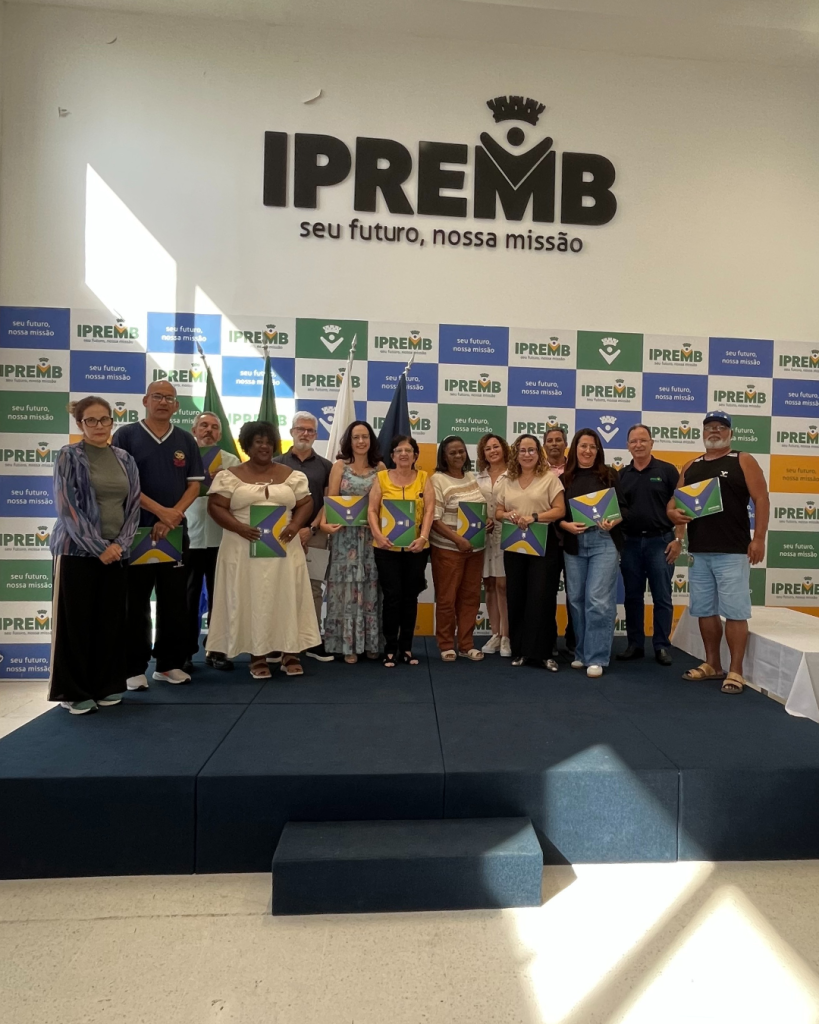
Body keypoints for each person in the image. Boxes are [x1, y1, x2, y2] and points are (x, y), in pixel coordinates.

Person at [48, 397, 142, 714]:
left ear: (112, 421)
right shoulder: (68, 455)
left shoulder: (125, 458)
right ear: (80, 424)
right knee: (76, 624)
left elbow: (133, 506)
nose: (99, 426)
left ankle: (106, 685)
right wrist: (99, 547)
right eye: (91, 420)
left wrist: (120, 544)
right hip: (76, 552)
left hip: (116, 553)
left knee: (110, 623)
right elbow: (67, 507)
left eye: (104, 419)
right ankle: (73, 691)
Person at [206, 420, 320, 677]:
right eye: (258, 441)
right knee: (252, 598)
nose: (264, 446)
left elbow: (306, 503)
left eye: (269, 442)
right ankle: (257, 656)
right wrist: (239, 528)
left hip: (284, 548)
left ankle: (290, 652)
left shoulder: (291, 475)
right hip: (243, 548)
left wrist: (295, 525)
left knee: (286, 596)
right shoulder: (229, 475)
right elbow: (215, 507)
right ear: (247, 445)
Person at [668, 411, 769, 695]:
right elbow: (674, 503)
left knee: (735, 613)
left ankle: (736, 670)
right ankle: (713, 664)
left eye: (720, 427)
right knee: (705, 610)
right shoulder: (692, 465)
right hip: (699, 551)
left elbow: (762, 499)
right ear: (703, 432)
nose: (714, 431)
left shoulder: (742, 460)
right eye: (709, 427)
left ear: (730, 433)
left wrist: (759, 538)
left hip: (733, 551)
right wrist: (673, 517)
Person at [113, 381, 204, 690]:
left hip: (174, 532)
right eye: (157, 397)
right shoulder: (126, 435)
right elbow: (124, 484)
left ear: (176, 405)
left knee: (174, 600)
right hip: (135, 531)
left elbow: (194, 484)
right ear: (145, 400)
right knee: (135, 601)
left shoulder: (185, 439)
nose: (163, 402)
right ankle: (133, 667)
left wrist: (173, 514)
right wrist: (161, 512)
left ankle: (168, 664)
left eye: (169, 398)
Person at [559, 428, 628, 678]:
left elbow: (624, 509)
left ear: (598, 450)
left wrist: (614, 520)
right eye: (583, 446)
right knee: (576, 599)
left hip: (604, 542)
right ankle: (581, 653)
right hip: (574, 544)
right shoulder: (564, 478)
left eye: (592, 446)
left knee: (597, 599)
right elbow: (557, 514)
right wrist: (565, 525)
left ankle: (597, 656)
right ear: (575, 449)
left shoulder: (609, 475)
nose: (587, 451)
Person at [495, 434, 565, 672]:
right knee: (516, 595)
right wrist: (508, 515)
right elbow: (498, 512)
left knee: (541, 597)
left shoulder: (549, 478)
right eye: (522, 450)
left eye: (531, 450)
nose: (527, 454)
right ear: (516, 454)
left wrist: (534, 517)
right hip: (514, 543)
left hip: (542, 543)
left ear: (539, 453)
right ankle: (520, 651)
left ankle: (543, 654)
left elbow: (559, 510)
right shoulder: (508, 479)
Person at [616, 424, 684, 666]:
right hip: (630, 543)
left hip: (661, 541)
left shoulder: (667, 471)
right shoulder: (621, 475)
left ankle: (661, 645)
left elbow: (682, 508)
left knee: (662, 597)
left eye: (643, 440)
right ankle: (635, 644)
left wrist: (678, 540)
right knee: (632, 597)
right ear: (628, 446)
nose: (638, 445)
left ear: (651, 443)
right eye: (633, 441)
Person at [320, 421, 384, 663]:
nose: (360, 441)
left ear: (371, 440)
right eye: (356, 437)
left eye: (365, 436)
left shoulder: (380, 468)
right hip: (344, 538)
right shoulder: (339, 466)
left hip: (370, 537)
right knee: (346, 588)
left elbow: (386, 502)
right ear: (349, 440)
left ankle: (370, 642)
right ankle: (347, 645)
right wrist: (324, 524)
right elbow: (331, 499)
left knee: (371, 586)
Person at [368, 435, 435, 668]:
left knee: (410, 597)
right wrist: (378, 535)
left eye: (408, 450)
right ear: (392, 455)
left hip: (416, 548)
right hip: (386, 547)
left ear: (415, 455)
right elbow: (372, 510)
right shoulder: (381, 478)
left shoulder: (424, 478)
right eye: (399, 450)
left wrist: (423, 537)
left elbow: (429, 511)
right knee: (392, 597)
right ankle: (390, 648)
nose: (404, 454)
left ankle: (406, 647)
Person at [273, 411, 333, 662]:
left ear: (316, 435)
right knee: (280, 586)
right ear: (291, 432)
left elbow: (329, 501)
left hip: (314, 534)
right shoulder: (275, 462)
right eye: (301, 429)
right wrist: (293, 528)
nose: (305, 434)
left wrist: (312, 528)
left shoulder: (326, 466)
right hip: (281, 534)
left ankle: (312, 640)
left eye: (310, 430)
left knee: (314, 588)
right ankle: (277, 641)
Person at [185, 411, 241, 672]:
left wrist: (226, 481)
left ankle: (217, 649)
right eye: (204, 425)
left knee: (222, 596)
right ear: (194, 430)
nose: (209, 430)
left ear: (220, 433)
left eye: (214, 427)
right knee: (187, 597)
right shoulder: (182, 458)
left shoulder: (231, 462)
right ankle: (184, 652)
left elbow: (242, 500)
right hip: (189, 537)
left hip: (222, 538)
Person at [430, 436, 487, 662]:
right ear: (444, 456)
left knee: (471, 597)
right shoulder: (437, 480)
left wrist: (487, 522)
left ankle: (466, 644)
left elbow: (478, 510)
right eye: (452, 452)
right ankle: (446, 644)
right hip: (448, 550)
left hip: (475, 549)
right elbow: (434, 520)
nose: (458, 455)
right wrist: (457, 540)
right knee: (447, 599)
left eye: (461, 451)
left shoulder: (471, 477)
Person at [476, 433, 510, 656]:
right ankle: (495, 634)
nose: (492, 451)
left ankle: (507, 636)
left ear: (504, 449)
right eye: (487, 448)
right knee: (488, 584)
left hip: (507, 534)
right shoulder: (478, 477)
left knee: (502, 585)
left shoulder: (513, 474)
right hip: (483, 536)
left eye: (496, 446)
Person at [543, 425, 576, 657]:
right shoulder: (536, 470)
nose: (554, 444)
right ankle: (549, 641)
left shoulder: (576, 469)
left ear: (565, 444)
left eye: (558, 440)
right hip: (545, 539)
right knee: (546, 592)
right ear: (544, 445)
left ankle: (574, 640)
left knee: (576, 593)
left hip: (574, 538)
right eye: (550, 440)